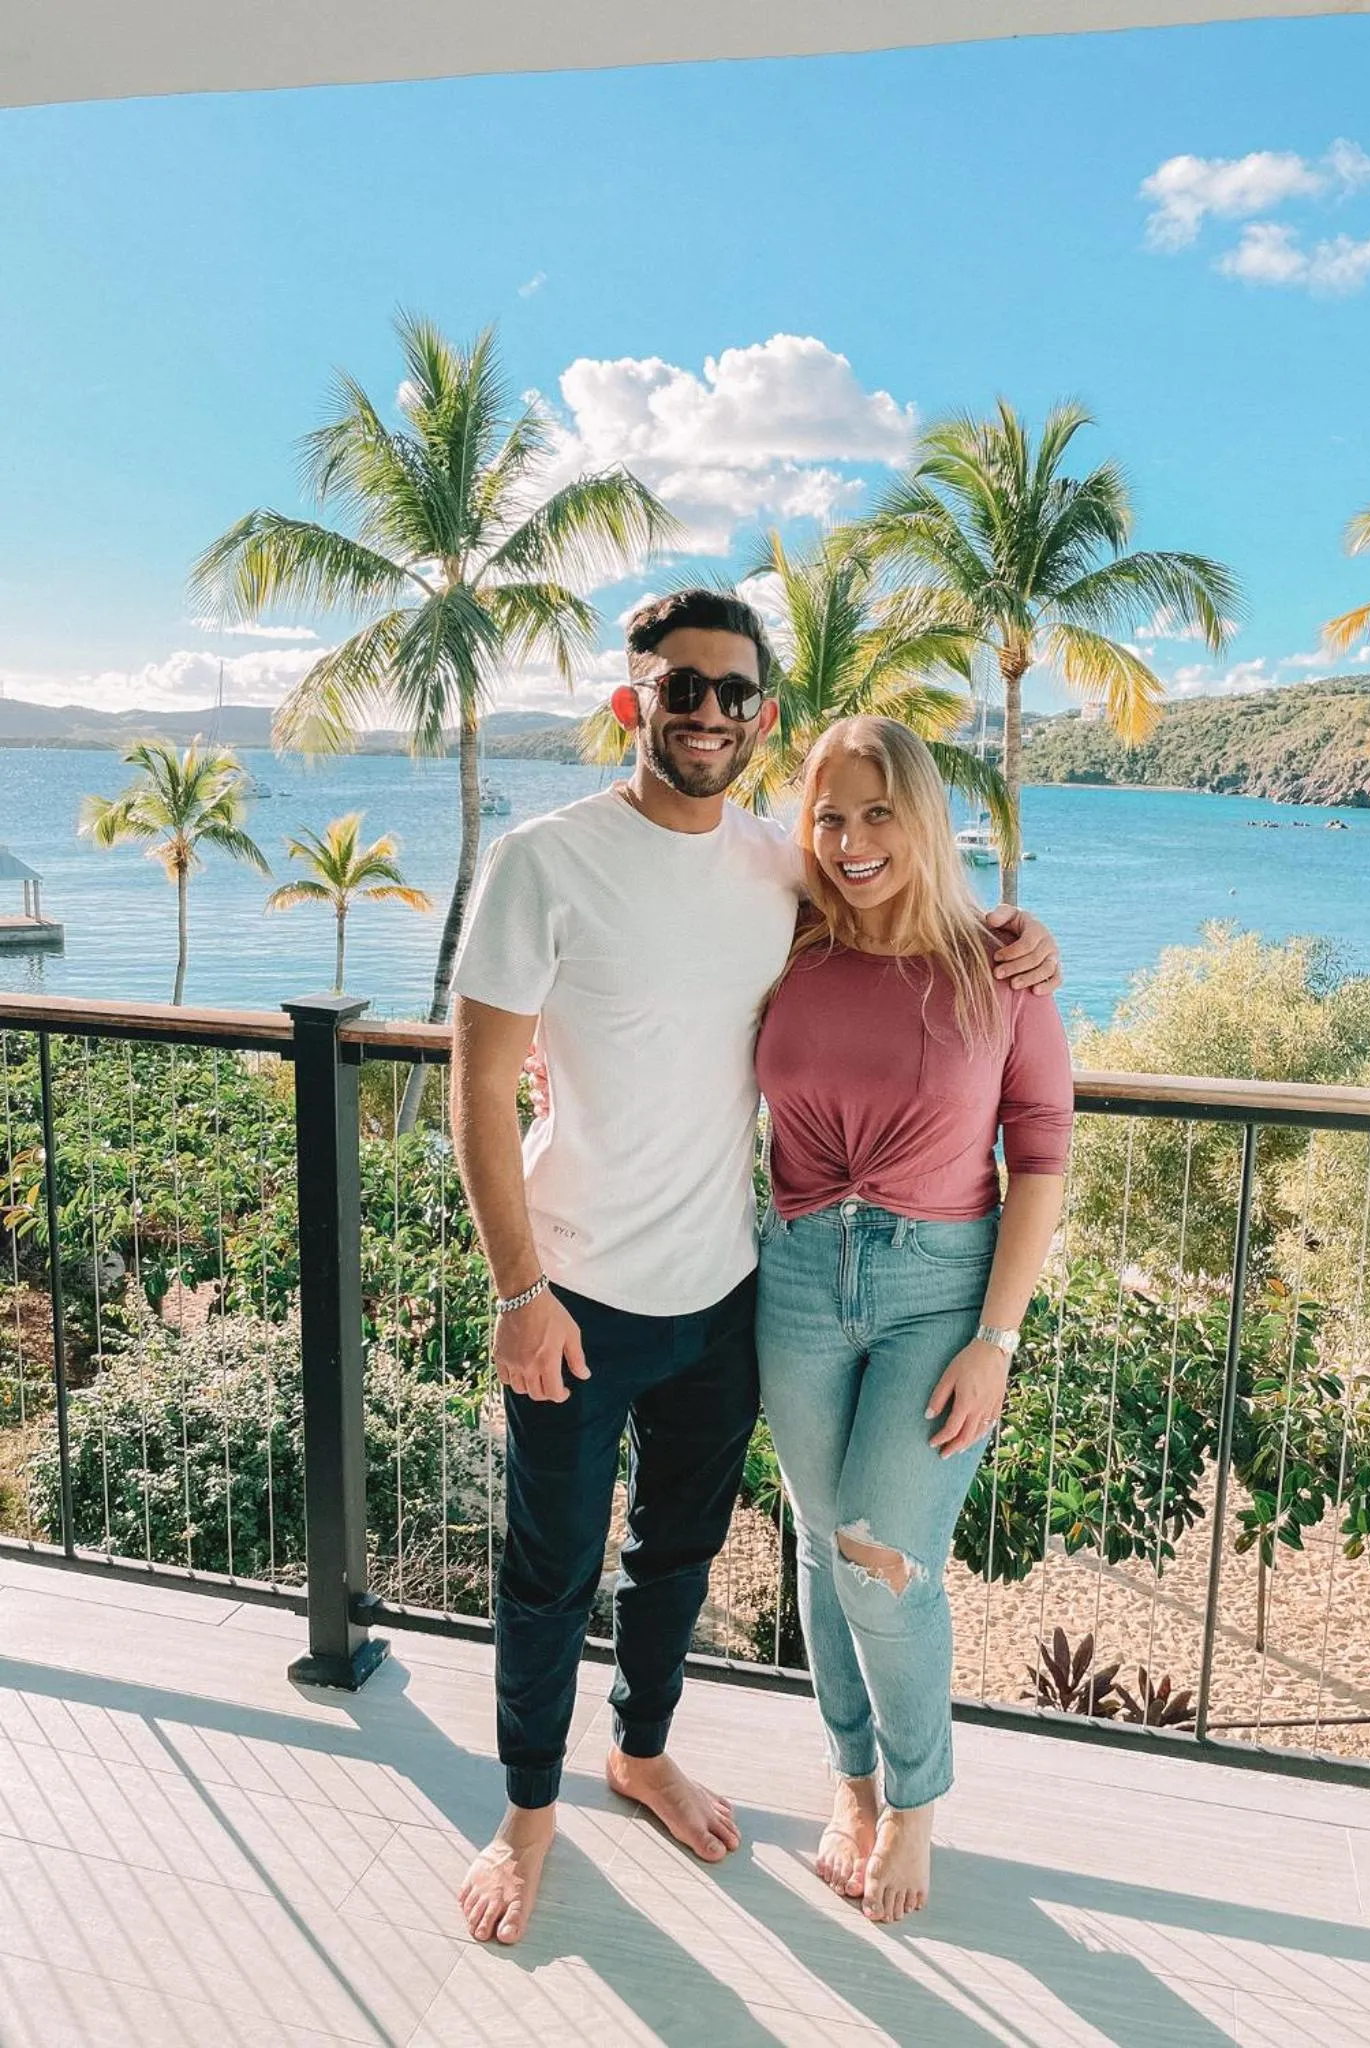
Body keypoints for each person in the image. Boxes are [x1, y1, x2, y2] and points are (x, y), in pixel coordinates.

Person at [447, 589, 1061, 1946]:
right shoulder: (544, 860)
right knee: (550, 1570)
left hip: (731, 1288)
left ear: (762, 715)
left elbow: (899, 910)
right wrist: (518, 1291)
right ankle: (526, 1818)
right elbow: (476, 1090)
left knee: (678, 1554)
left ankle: (642, 1752)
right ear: (636, 699)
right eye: (683, 686)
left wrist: (1021, 939)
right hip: (575, 1293)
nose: (709, 711)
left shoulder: (781, 871)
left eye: (734, 692)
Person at [755, 716, 1072, 1926]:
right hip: (794, 1274)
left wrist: (998, 1338)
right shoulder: (785, 938)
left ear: (925, 817)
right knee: (820, 1533)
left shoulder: (1002, 969)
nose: (851, 840)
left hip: (939, 1288)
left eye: (878, 811)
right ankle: (848, 1778)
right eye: (830, 815)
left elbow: (1042, 1154)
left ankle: (915, 1798)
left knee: (882, 1556)